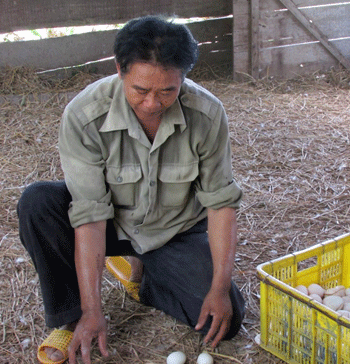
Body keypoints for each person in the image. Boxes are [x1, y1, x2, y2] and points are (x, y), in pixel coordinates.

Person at [17, 15, 245, 364]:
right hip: (109, 222)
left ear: (184, 77)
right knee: (38, 202)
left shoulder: (208, 114)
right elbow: (90, 215)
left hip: (174, 230)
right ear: (120, 69)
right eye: (141, 90)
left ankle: (144, 277)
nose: (153, 103)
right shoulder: (84, 114)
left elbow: (220, 205)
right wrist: (94, 309)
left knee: (225, 322)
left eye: (167, 91)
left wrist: (218, 287)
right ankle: (72, 314)